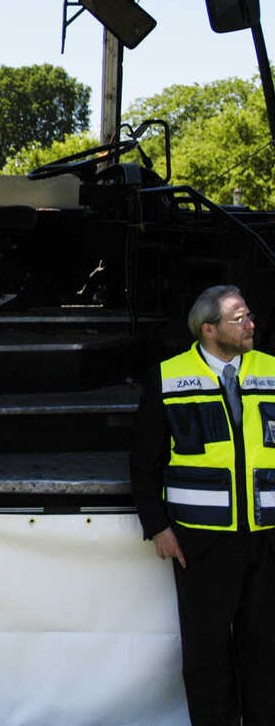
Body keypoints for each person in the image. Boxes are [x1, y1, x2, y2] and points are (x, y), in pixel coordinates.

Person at [131, 284, 275, 725]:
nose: (251, 324)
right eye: (239, 318)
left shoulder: (272, 370)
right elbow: (144, 457)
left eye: (250, 315)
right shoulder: (169, 376)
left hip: (268, 540)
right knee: (207, 653)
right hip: (201, 542)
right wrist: (157, 525)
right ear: (209, 329)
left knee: (266, 652)